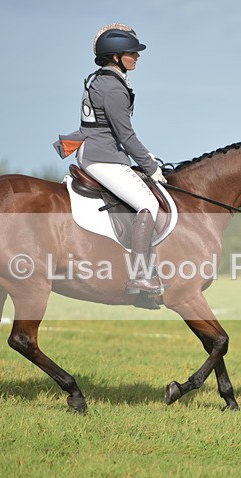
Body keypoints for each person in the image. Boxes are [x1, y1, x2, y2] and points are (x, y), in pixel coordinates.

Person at [55, 23, 165, 295]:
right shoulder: (114, 88)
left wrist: (145, 156)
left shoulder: (100, 79)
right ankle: (139, 275)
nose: (137, 56)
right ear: (115, 56)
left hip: (95, 149)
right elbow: (126, 135)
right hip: (102, 155)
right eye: (132, 52)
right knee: (148, 204)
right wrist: (150, 166)